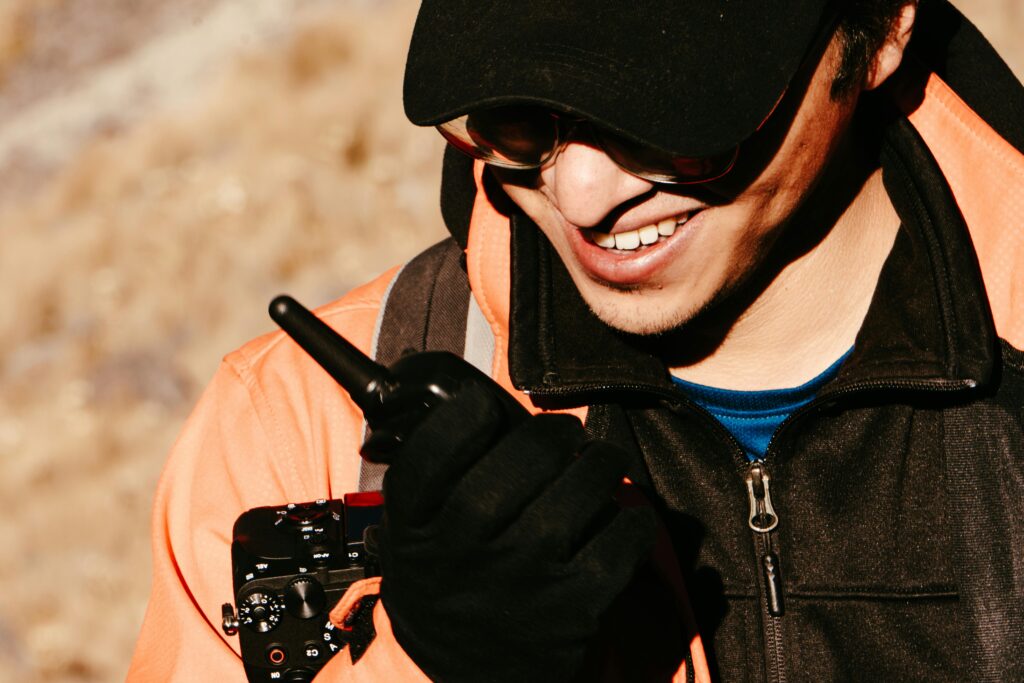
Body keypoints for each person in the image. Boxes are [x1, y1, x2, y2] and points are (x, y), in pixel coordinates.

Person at [129, 0, 1024, 680]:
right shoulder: (288, 438)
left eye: (671, 115)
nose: (585, 197)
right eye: (518, 121)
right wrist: (428, 663)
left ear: (885, 27)